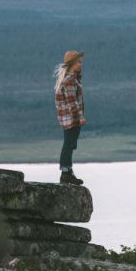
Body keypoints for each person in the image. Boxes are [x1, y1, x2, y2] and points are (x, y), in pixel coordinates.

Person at [54, 49, 87, 185]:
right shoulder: (69, 81)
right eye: (78, 62)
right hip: (71, 118)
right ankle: (66, 172)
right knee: (68, 144)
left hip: (69, 118)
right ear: (72, 64)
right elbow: (72, 101)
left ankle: (67, 172)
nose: (81, 65)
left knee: (70, 144)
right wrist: (79, 117)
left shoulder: (71, 80)